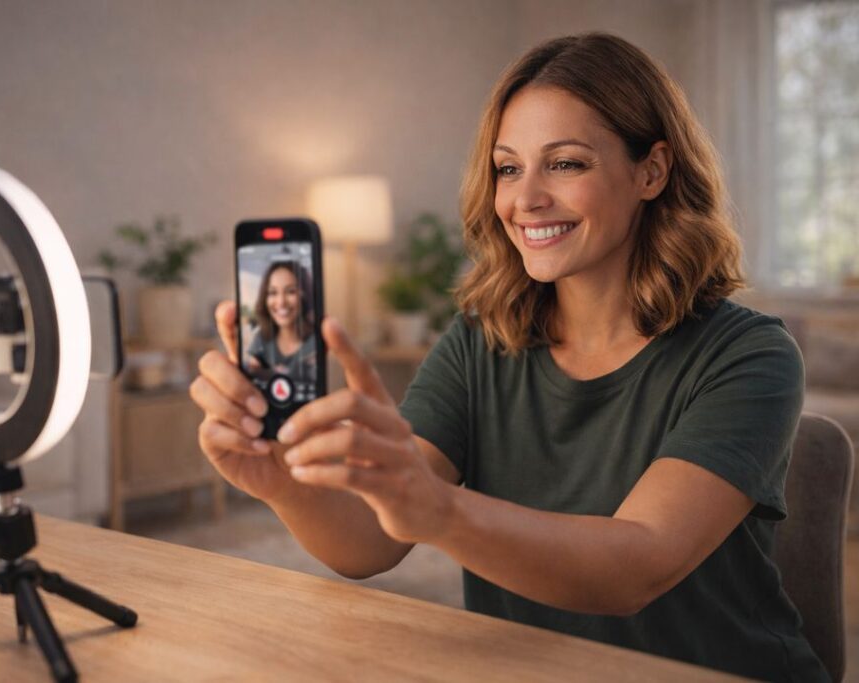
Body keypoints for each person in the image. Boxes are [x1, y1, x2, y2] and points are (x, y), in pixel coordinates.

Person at [190, 33, 827, 681]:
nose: (525, 200)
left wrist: (439, 508)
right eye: (508, 167)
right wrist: (282, 486)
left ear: (651, 171)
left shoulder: (750, 354)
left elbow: (636, 567)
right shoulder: (479, 340)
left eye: (566, 163)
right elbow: (371, 541)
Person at [245, 260, 317, 382]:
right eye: (273, 293)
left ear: (305, 296)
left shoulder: (315, 341)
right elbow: (252, 372)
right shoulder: (262, 338)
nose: (281, 302)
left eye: (291, 291)